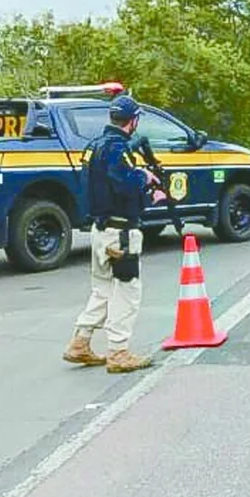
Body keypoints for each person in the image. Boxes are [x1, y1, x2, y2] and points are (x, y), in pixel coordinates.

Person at [62, 94, 165, 374]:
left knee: (103, 289)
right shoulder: (118, 150)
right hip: (121, 233)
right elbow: (124, 185)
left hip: (99, 229)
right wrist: (146, 180)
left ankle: (80, 342)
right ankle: (118, 352)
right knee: (127, 291)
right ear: (132, 121)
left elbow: (101, 184)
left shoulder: (95, 146)